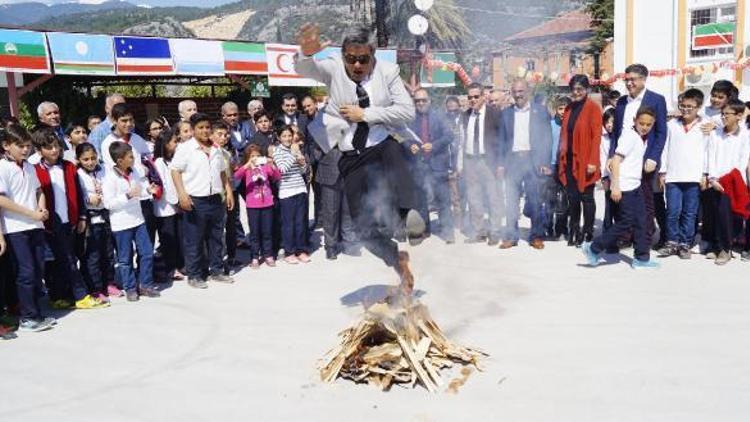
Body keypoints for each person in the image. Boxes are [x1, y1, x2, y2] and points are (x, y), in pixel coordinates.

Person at [294, 23, 425, 272]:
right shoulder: (333, 67)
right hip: (349, 154)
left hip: (379, 144)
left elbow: (407, 111)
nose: (356, 66)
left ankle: (409, 215)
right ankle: (395, 259)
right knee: (363, 229)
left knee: (395, 152)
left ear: (372, 55)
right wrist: (306, 53)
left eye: (363, 59)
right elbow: (304, 68)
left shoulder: (388, 72)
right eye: (351, 59)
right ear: (343, 55)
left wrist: (365, 114)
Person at [31, 128, 109, 310]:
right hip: (50, 222)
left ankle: (59, 296)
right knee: (66, 260)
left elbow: (79, 194)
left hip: (71, 220)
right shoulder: (36, 170)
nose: (54, 151)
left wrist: (82, 216)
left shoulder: (69, 167)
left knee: (65, 259)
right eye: (48, 147)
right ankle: (80, 296)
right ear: (39, 150)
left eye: (56, 146)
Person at [582, 106, 661, 269]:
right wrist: (615, 187)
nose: (645, 127)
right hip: (624, 187)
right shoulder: (630, 137)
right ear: (634, 121)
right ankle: (593, 248)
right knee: (626, 223)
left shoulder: (639, 138)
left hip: (636, 185)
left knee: (642, 221)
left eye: (649, 124)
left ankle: (641, 258)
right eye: (642, 123)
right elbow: (616, 161)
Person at [0, 124, 56, 332]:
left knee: (37, 269)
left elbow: (38, 190)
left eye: (27, 146)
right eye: (20, 146)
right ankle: (28, 317)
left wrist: (41, 209)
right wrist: (31, 213)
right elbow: (2, 201)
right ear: (6, 145)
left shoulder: (29, 167)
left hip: (35, 225)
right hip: (15, 228)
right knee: (26, 272)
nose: (25, 150)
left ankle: (35, 312)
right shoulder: (2, 168)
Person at [171, 113, 235, 288]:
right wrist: (182, 194)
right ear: (193, 130)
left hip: (215, 199)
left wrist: (228, 191)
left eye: (207, 127)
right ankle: (194, 274)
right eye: (201, 128)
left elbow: (222, 171)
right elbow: (175, 171)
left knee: (216, 237)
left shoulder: (216, 149)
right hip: (195, 200)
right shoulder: (185, 148)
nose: (205, 131)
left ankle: (217, 270)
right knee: (194, 239)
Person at [609, 64, 668, 245]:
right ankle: (627, 236)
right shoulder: (621, 102)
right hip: (623, 159)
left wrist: (653, 157)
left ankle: (645, 238)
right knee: (624, 200)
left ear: (643, 79)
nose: (629, 83)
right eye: (626, 79)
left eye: (633, 79)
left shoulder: (656, 99)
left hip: (644, 160)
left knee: (646, 201)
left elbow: (661, 132)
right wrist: (612, 156)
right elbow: (616, 133)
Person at [102, 142, 160, 301]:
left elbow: (139, 191)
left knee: (147, 253)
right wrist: (127, 195)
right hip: (121, 224)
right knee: (125, 259)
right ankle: (130, 288)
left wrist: (148, 191)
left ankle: (145, 284)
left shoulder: (134, 172)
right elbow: (108, 204)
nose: (134, 159)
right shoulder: (110, 179)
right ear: (120, 160)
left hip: (138, 220)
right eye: (130, 157)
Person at [499, 78, 552, 250]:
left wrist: (545, 161)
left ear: (528, 91)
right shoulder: (506, 113)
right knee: (511, 201)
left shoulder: (541, 111)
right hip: (512, 161)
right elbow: (501, 140)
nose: (517, 94)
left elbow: (547, 138)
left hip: (533, 160)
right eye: (514, 91)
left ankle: (536, 235)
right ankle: (511, 236)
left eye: (521, 91)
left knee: (535, 200)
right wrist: (500, 164)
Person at [657, 89, 708, 260]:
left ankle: (685, 243)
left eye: (690, 106)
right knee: (672, 211)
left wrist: (705, 174)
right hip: (673, 176)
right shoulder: (671, 125)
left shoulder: (705, 126)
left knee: (690, 213)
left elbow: (708, 151)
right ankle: (671, 242)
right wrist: (663, 171)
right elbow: (664, 148)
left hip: (694, 177)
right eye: (682, 106)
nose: (685, 109)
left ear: (699, 106)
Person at [557, 75, 602, 246]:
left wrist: (593, 162)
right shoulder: (568, 108)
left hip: (585, 160)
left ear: (587, 90)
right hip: (569, 160)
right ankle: (574, 229)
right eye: (573, 89)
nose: (576, 92)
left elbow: (596, 137)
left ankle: (588, 231)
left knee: (587, 197)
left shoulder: (593, 108)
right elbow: (564, 134)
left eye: (580, 89)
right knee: (573, 197)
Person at [406, 88, 455, 244]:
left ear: (429, 101)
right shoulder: (410, 118)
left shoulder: (440, 116)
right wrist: (409, 146)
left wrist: (434, 146)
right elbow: (403, 136)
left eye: (423, 100)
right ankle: (424, 230)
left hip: (438, 164)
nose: (420, 103)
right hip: (419, 165)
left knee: (443, 200)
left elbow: (449, 136)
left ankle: (447, 231)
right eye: (417, 101)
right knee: (421, 200)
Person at [457, 82, 504, 245]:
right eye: (470, 97)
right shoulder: (464, 115)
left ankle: (495, 231)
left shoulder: (495, 113)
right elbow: (461, 141)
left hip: (488, 161)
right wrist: (460, 164)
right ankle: (479, 231)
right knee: (474, 198)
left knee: (493, 197)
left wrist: (500, 163)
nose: (472, 100)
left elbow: (502, 140)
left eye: (476, 96)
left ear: (484, 97)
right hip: (470, 161)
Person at [705, 99, 750, 265]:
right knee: (717, 213)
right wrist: (713, 178)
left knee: (732, 215)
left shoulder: (745, 135)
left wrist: (729, 179)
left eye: (727, 114)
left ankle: (726, 248)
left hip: (735, 180)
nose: (723, 117)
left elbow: (742, 159)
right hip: (716, 179)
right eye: (722, 114)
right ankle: (718, 245)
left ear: (739, 116)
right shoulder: (716, 134)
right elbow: (711, 156)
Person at [76, 143, 119, 300]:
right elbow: (78, 197)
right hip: (90, 217)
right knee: (92, 255)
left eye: (93, 158)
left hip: (105, 214)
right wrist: (89, 199)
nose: (90, 162)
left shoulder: (104, 170)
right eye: (85, 159)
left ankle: (109, 282)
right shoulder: (78, 174)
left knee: (108, 252)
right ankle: (95, 287)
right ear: (79, 159)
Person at [234, 144, 281, 268]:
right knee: (254, 233)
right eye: (252, 156)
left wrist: (272, 165)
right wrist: (247, 165)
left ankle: (268, 254)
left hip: (267, 204)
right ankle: (254, 256)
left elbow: (277, 177)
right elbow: (235, 176)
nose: (255, 158)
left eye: (258, 156)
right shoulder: (247, 169)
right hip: (252, 205)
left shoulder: (265, 167)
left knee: (267, 231)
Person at [273, 125, 311, 264]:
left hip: (300, 189)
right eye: (284, 136)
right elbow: (282, 169)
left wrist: (302, 162)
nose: (288, 138)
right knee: (289, 224)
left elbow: (302, 170)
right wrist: (294, 154)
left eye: (289, 135)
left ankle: (301, 250)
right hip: (287, 192)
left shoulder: (295, 149)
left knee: (301, 222)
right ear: (279, 138)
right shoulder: (277, 151)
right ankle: (289, 252)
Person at [153, 130, 185, 282]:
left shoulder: (173, 160)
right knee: (169, 240)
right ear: (165, 145)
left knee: (178, 238)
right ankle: (170, 269)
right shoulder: (160, 162)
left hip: (175, 206)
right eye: (174, 142)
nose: (176, 144)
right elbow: (165, 186)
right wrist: (177, 202)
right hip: (165, 208)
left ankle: (179, 265)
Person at [211, 121, 240, 274]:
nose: (224, 138)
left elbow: (230, 174)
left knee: (231, 225)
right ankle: (218, 261)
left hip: (229, 192)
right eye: (219, 135)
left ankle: (231, 256)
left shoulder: (228, 152)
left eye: (226, 134)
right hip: (216, 195)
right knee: (218, 230)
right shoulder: (210, 152)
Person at [546, 95, 571, 239]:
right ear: (556, 109)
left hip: (566, 166)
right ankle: (549, 227)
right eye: (560, 108)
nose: (563, 111)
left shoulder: (571, 125)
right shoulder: (550, 125)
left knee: (565, 198)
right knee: (550, 197)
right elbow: (544, 145)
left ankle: (562, 228)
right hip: (552, 165)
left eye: (566, 109)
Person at [601, 108, 617, 232]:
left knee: (619, 204)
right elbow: (601, 157)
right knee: (608, 203)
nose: (609, 125)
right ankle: (607, 228)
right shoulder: (602, 138)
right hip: (607, 176)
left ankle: (619, 231)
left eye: (612, 121)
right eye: (606, 122)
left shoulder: (621, 137)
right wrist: (604, 177)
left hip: (619, 176)